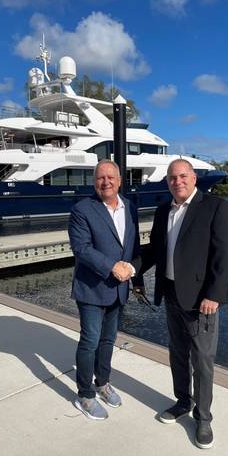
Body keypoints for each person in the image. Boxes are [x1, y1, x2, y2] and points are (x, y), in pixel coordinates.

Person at [134, 159, 228, 448]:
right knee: (177, 354)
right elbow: (154, 250)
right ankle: (182, 401)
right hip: (170, 294)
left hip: (201, 300)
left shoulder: (216, 207)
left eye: (182, 176)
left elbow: (224, 256)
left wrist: (214, 295)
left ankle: (203, 418)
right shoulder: (164, 210)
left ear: (193, 178)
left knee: (202, 361)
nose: (177, 181)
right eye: (171, 177)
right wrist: (133, 269)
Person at [68, 159, 141, 420]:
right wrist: (112, 267)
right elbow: (81, 248)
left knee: (108, 340)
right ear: (94, 181)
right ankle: (85, 394)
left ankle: (102, 383)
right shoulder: (82, 209)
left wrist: (132, 271)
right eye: (100, 177)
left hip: (119, 288)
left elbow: (133, 248)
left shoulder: (130, 207)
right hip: (91, 287)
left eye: (111, 177)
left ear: (120, 180)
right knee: (90, 340)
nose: (106, 181)